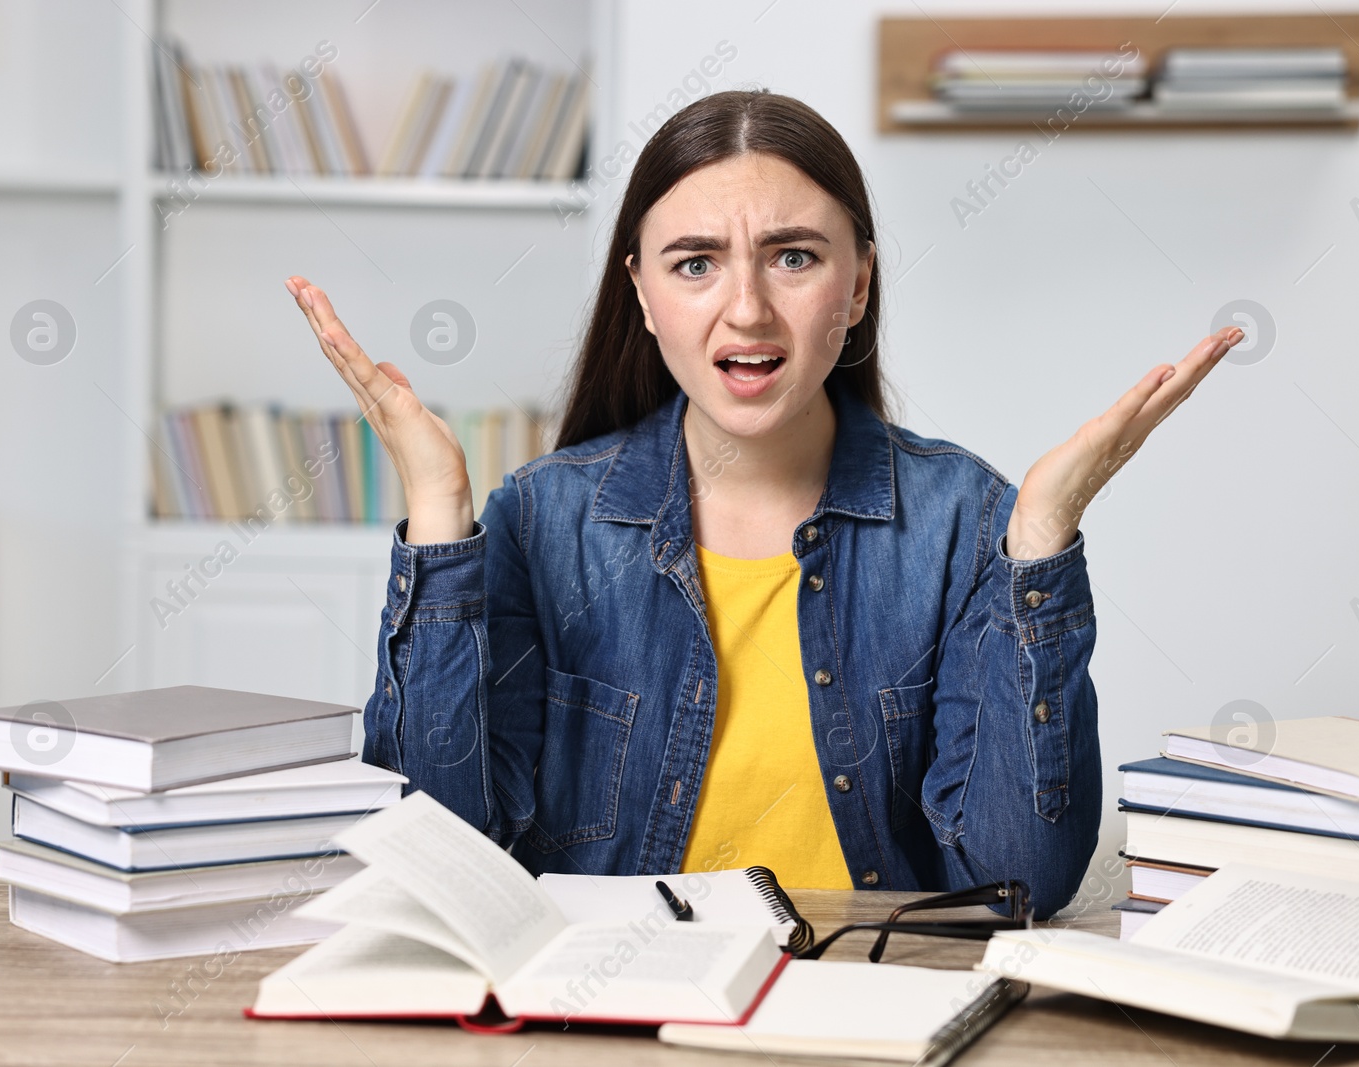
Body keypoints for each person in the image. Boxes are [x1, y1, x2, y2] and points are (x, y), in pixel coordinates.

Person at [283, 89, 1242, 919]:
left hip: (870, 1011)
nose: (745, 309)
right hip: (612, 1018)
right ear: (645, 295)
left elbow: (1019, 880)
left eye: (793, 257)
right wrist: (440, 516)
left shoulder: (963, 520)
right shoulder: (544, 520)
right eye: (695, 263)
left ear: (858, 282)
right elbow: (439, 860)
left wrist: (1037, 546)